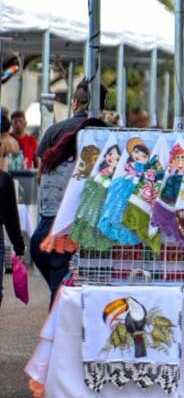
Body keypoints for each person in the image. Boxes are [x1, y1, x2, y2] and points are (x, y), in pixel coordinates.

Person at [33, 118, 109, 306]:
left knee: (60, 295)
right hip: (61, 238)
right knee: (61, 301)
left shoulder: (56, 158)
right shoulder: (83, 165)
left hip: (42, 234)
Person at [36, 78, 108, 167]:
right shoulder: (112, 132)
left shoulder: (53, 131)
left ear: (76, 103)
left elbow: (41, 168)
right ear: (102, 106)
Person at [0, 157, 25, 308]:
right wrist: (19, 246)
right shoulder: (4, 179)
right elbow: (11, 216)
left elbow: (11, 216)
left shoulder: (5, 179)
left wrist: (19, 246)